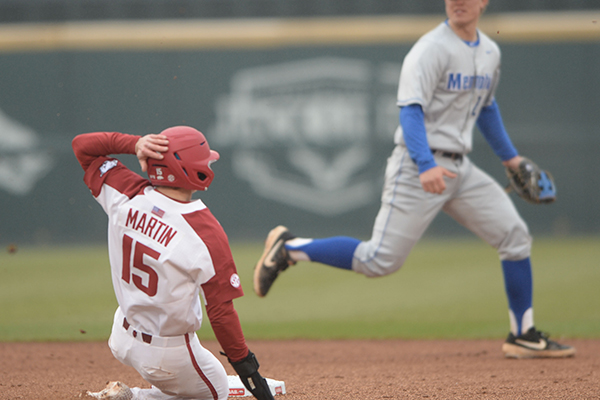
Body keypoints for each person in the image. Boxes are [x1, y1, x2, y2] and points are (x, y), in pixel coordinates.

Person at [253, 0, 575, 359]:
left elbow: (486, 108)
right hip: (417, 166)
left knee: (515, 236)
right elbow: (410, 110)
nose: (458, 2)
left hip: (460, 169)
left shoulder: (489, 51)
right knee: (380, 260)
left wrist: (510, 158)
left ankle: (523, 334)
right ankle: (291, 248)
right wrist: (424, 165)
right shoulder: (430, 49)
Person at [72, 126, 275, 400]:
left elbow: (82, 145)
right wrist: (247, 369)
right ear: (192, 169)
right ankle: (135, 397)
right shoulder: (205, 232)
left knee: (192, 379)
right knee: (217, 392)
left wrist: (135, 144)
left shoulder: (126, 191)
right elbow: (221, 314)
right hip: (168, 356)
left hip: (121, 335)